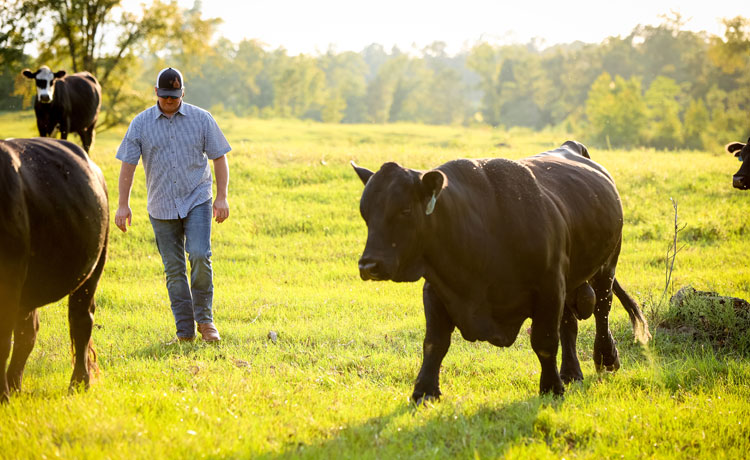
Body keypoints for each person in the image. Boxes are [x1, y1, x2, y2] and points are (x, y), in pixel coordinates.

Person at [115, 67, 231, 343]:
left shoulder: (202, 119)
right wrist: (122, 205)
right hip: (161, 204)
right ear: (156, 92)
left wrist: (222, 196)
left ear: (182, 93)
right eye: (166, 96)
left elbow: (219, 158)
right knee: (174, 269)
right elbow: (128, 165)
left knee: (200, 254)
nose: (170, 101)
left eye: (175, 97)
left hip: (197, 199)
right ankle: (184, 332)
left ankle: (205, 321)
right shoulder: (140, 124)